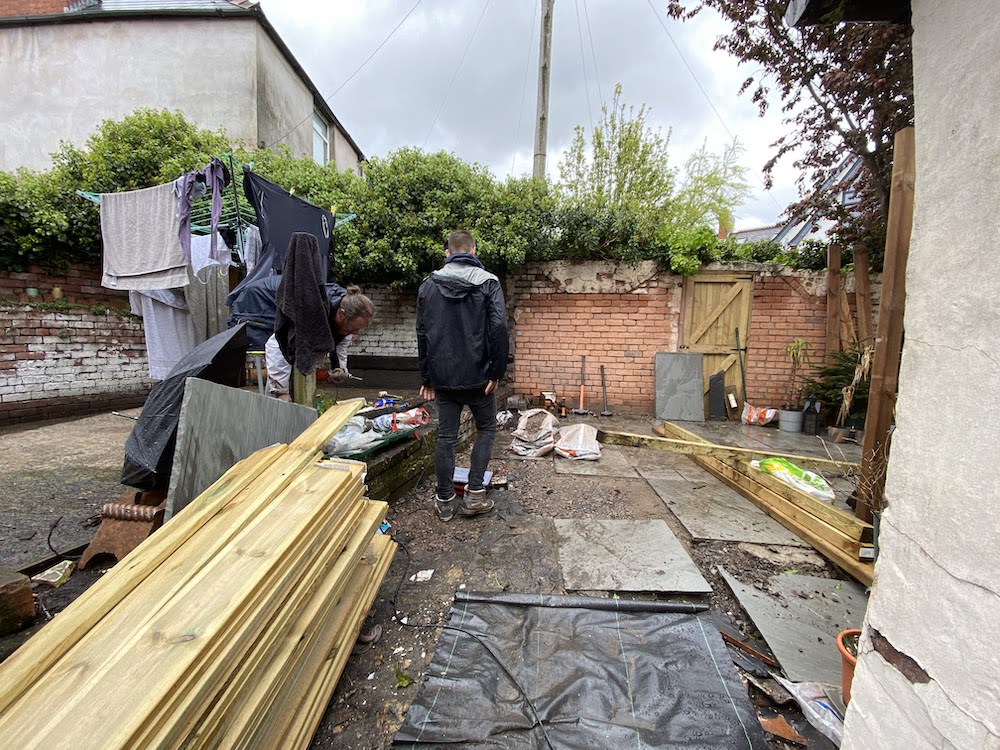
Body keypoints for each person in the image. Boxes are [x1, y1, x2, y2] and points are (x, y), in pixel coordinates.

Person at [416, 230, 508, 521]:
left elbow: (422, 333)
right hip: (480, 378)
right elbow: (499, 328)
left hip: (443, 377)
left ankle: (444, 501)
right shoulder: (489, 283)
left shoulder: (428, 286)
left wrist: (427, 377)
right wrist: (497, 371)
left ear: (448, 253)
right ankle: (475, 496)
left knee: (446, 436)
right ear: (474, 250)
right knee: (487, 429)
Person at [229, 274, 374, 401]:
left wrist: (340, 368)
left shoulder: (347, 303)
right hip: (259, 302)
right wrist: (280, 392)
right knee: (281, 379)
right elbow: (279, 345)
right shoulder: (312, 313)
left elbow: (341, 337)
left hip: (288, 297)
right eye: (353, 328)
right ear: (341, 314)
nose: (354, 333)